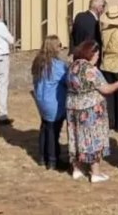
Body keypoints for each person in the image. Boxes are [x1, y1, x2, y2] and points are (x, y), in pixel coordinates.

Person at [66, 39, 118, 183]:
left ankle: (77, 169)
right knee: (92, 138)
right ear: (91, 54)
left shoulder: (73, 65)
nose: (98, 58)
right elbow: (105, 88)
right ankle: (95, 173)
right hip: (89, 109)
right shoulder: (90, 69)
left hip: (73, 107)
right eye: (97, 55)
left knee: (77, 138)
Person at [31, 35, 68, 171]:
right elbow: (67, 80)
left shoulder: (38, 62)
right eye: (59, 45)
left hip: (41, 101)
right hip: (54, 103)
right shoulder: (57, 66)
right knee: (53, 131)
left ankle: (42, 157)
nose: (61, 48)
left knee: (44, 128)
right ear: (54, 47)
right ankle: (53, 160)